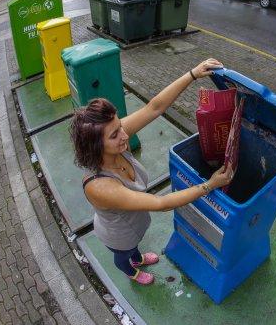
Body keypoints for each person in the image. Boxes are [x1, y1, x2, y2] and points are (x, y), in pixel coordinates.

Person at [69, 59, 233, 285]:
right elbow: (161, 204)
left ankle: (137, 258)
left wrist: (193, 74)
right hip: (118, 235)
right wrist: (209, 185)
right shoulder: (101, 187)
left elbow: (154, 107)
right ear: (95, 146)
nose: (125, 135)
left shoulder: (115, 142)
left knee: (135, 249)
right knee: (124, 254)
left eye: (119, 127)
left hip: (134, 222)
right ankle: (130, 271)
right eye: (115, 135)